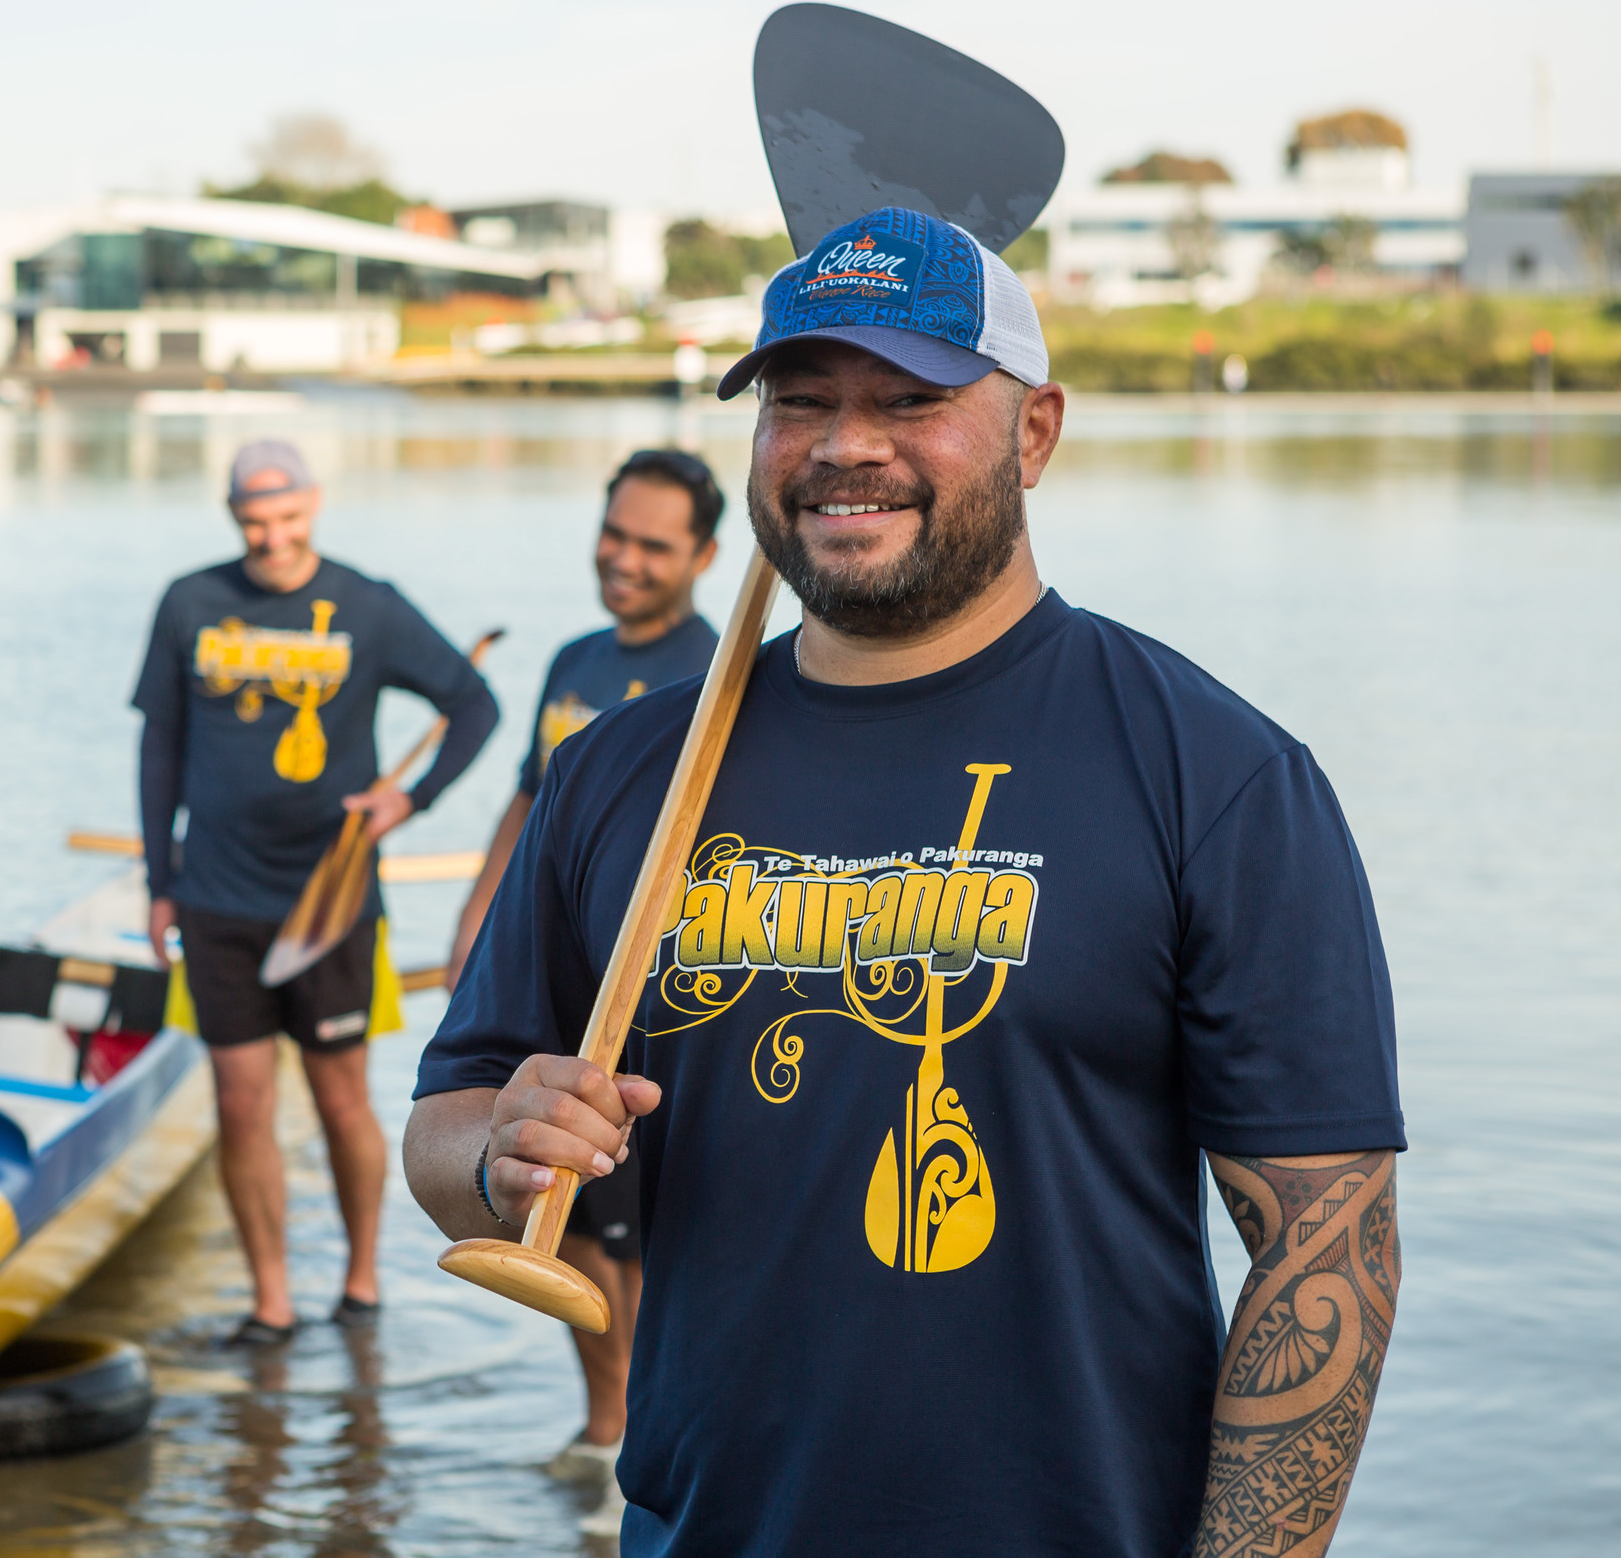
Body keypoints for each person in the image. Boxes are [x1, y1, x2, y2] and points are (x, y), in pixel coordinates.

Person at [405, 207, 1404, 1555]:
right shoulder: (624, 777)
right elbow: (448, 1122)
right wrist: (500, 1149)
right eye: (800, 398)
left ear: (1035, 430)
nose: (844, 443)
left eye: (910, 400)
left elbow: (1324, 1251)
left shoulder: (1214, 774)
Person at [136, 438, 499, 1345]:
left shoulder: (364, 605)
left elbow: (474, 703)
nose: (273, 538)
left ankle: (363, 1278)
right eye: (255, 521)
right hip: (216, 892)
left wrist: (408, 799)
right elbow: (159, 749)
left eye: (289, 518)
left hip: (331, 900)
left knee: (343, 1097)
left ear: (315, 505)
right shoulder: (190, 602)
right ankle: (270, 1297)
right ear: (232, 516)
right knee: (240, 1101)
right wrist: (158, 879)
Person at [442, 446, 720, 1530]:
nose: (624, 561)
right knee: (550, 1217)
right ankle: (605, 1421)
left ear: (703, 555)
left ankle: (643, 1433)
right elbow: (527, 806)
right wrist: (475, 917)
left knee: (632, 1236)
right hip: (555, 984)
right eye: (615, 535)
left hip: (649, 1007)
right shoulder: (571, 660)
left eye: (653, 546)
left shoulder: (720, 672)